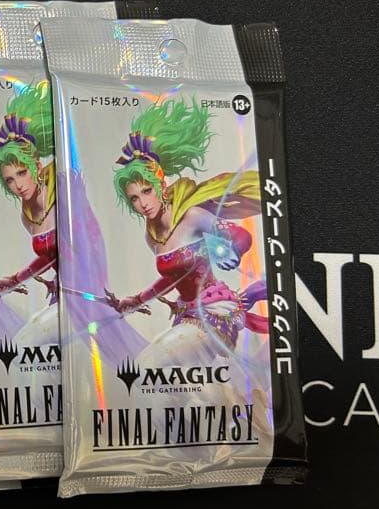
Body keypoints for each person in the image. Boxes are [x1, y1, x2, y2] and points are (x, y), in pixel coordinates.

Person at [103, 98, 268, 359]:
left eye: (146, 191)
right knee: (181, 382)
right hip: (186, 315)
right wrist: (136, 301)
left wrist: (231, 250)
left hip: (214, 310)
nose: (143, 203)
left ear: (160, 185)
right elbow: (172, 278)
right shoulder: (152, 236)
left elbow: (240, 235)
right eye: (134, 198)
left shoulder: (192, 217)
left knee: (147, 363)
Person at [0, 84, 59, 345]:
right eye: (10, 180)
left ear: (36, 165)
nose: (18, 185)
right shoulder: (28, 216)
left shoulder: (64, 195)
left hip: (82, 297)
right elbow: (48, 259)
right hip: (59, 297)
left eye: (22, 173)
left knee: (24, 345)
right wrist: (14, 280)